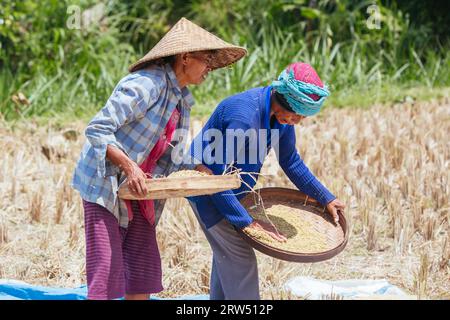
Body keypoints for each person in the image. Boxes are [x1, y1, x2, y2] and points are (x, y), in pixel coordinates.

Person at [71, 17, 246, 300]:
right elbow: (98, 128)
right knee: (107, 267)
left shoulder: (181, 100)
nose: (209, 70)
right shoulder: (146, 84)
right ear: (186, 57)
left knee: (143, 271)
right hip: (105, 184)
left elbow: (172, 156)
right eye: (207, 62)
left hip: (142, 189)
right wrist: (129, 166)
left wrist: (198, 169)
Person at [187, 62, 346, 300]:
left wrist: (326, 197)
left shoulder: (279, 118)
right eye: (297, 114)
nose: (298, 121)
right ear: (284, 100)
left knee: (228, 259)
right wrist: (247, 222)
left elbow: (290, 161)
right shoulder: (244, 116)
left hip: (233, 190)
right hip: (208, 188)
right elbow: (216, 178)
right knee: (241, 260)